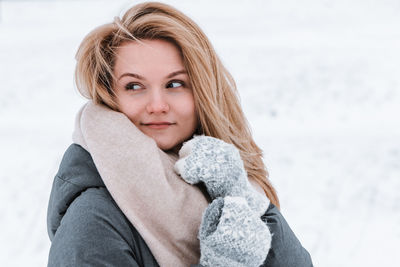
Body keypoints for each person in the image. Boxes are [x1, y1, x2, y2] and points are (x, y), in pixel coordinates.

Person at [47, 2, 313, 266]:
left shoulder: (222, 184)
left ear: (203, 92)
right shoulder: (93, 219)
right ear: (110, 96)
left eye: (175, 84)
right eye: (134, 86)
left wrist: (243, 196)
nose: (157, 105)